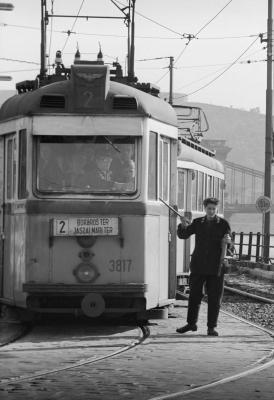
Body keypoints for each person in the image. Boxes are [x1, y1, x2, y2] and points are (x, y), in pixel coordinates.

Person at [176, 197, 231, 336]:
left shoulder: (224, 224)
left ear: (217, 209)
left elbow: (229, 248)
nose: (211, 211)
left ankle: (211, 327)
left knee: (214, 298)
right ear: (204, 209)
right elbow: (183, 235)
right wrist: (182, 225)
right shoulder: (198, 222)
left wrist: (229, 242)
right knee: (194, 296)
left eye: (213, 209)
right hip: (198, 265)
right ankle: (191, 324)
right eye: (209, 208)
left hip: (216, 267)